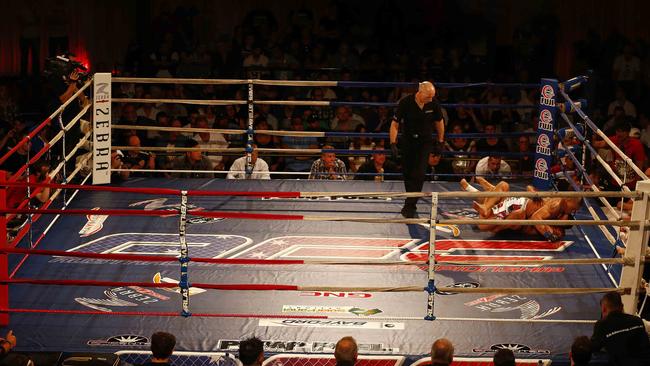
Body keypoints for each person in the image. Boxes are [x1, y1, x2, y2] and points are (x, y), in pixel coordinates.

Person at [461, 177, 578, 241]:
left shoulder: (554, 227)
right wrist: (533, 193)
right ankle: (485, 199)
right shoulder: (553, 204)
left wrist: (549, 235)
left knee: (516, 212)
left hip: (515, 214)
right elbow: (529, 187)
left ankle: (484, 192)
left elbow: (536, 219)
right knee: (503, 186)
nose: (560, 216)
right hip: (517, 203)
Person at [390, 81, 444, 218]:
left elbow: (439, 121)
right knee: (408, 173)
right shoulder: (405, 102)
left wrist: (441, 140)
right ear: (419, 92)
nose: (430, 99)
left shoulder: (433, 103)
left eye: (432, 96)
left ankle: (410, 204)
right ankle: (411, 202)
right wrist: (393, 143)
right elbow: (395, 123)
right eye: (428, 96)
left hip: (425, 142)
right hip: (408, 141)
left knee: (419, 174)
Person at [591, 292, 650, 365]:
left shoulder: (602, 325)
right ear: (622, 307)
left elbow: (593, 348)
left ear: (603, 309)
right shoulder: (637, 320)